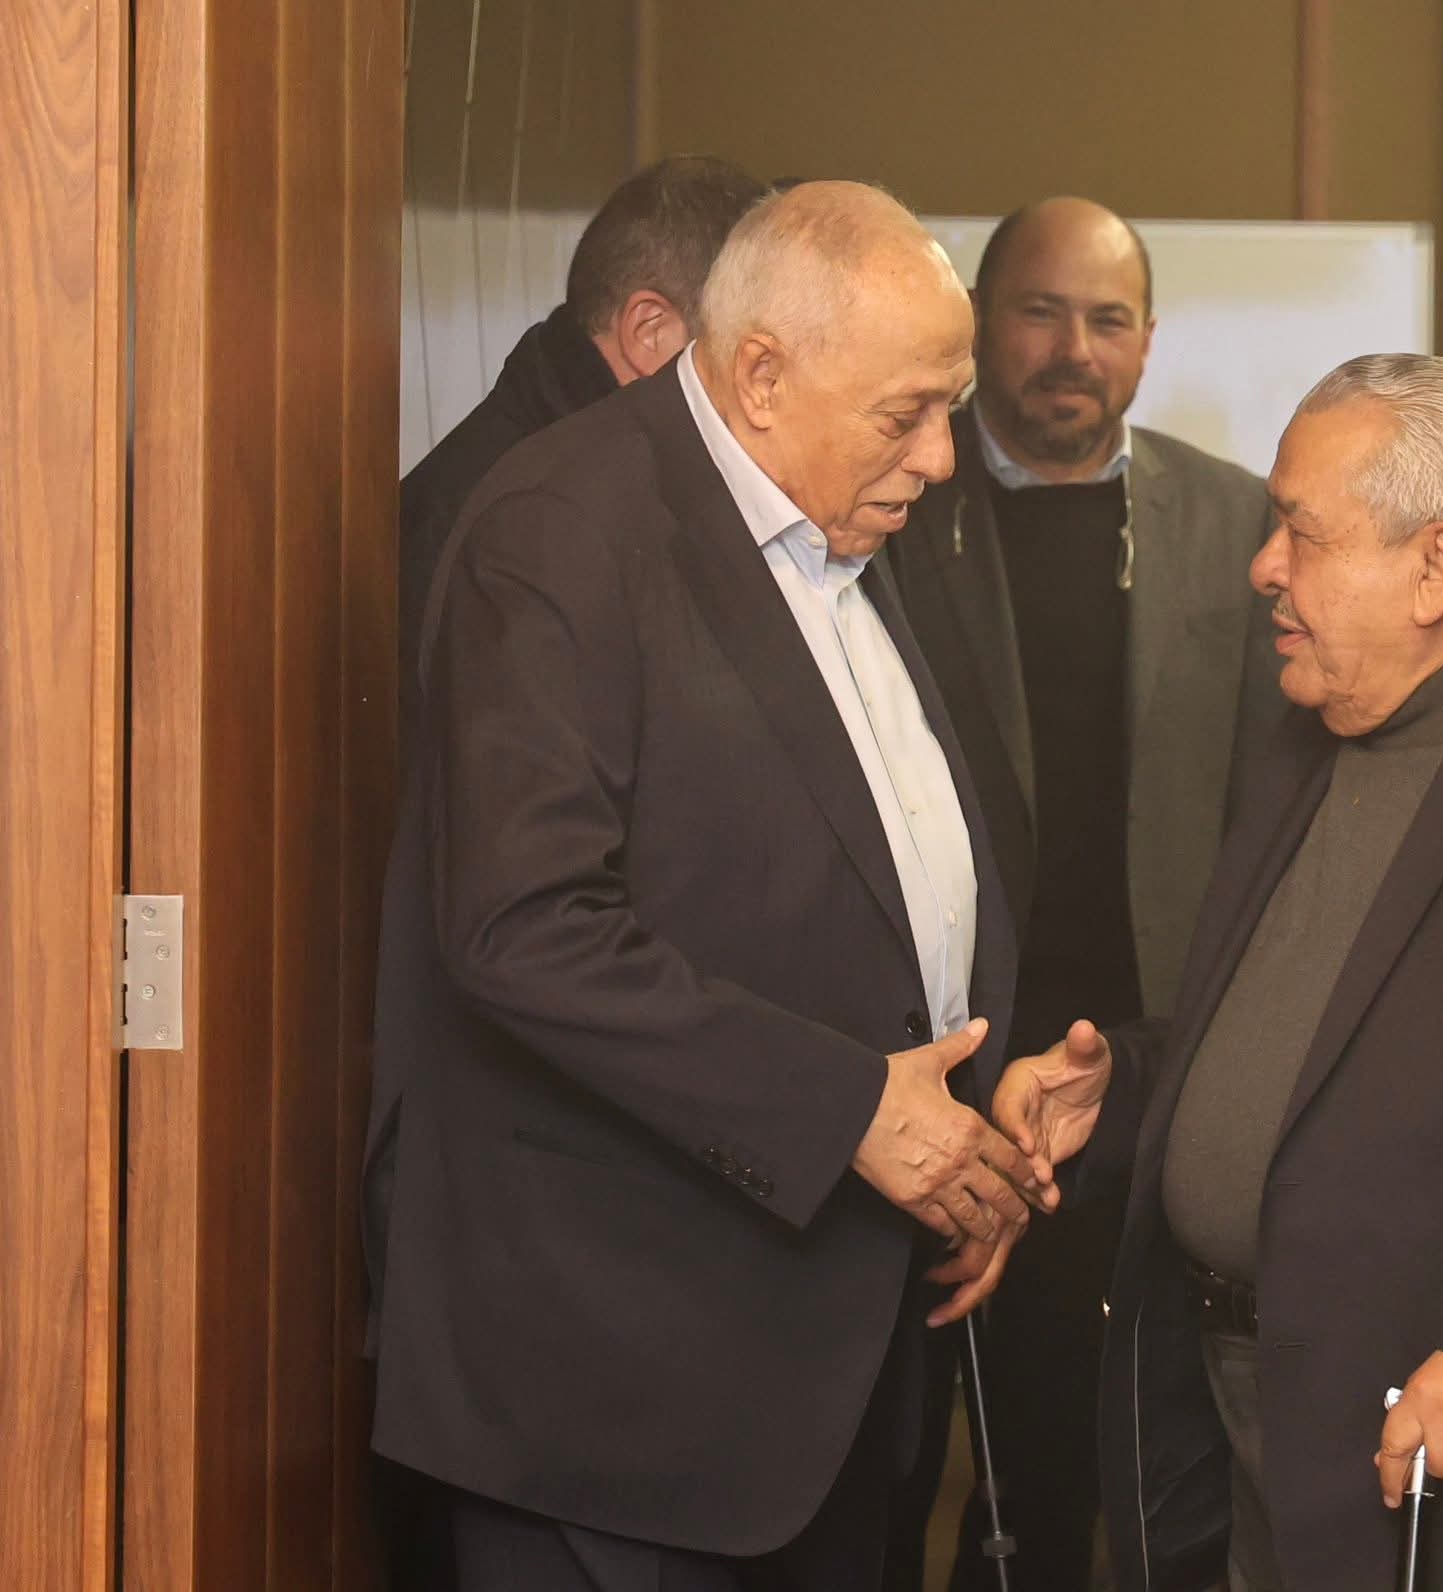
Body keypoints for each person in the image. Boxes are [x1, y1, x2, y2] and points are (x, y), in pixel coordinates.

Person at [368, 182, 1053, 1589]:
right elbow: (521, 930)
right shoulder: (561, 530)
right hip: (617, 1392)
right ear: (760, 376)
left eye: (948, 409)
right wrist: (853, 1109)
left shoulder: (841, 504)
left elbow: (851, 863)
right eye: (907, 414)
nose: (940, 457)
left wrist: (965, 1127)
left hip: (823, 1362)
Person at [998, 354, 1443, 1591]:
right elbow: (1303, 1034)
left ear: (1436, 566)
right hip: (1220, 1415)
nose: (1263, 566)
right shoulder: (1309, 719)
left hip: (1437, 1469)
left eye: (1300, 533)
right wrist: (1130, 1089)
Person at [886, 196, 1275, 1590]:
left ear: (1149, 341)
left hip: (1164, 1050)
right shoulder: (902, 505)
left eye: (1108, 320)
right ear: (981, 325)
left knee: (1167, 1434)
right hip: (961, 1050)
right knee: (996, 1436)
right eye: (1041, 312)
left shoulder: (1235, 519)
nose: (1073, 349)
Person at [396, 153, 764, 739]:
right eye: (751, 354)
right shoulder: (509, 524)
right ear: (651, 333)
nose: (766, 392)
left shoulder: (602, 469)